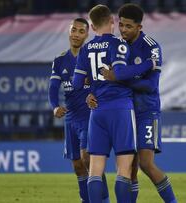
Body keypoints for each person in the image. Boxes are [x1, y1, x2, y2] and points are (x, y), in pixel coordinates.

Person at [87, 3, 177, 203]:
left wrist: (119, 77)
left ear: (139, 27)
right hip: (125, 112)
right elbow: (101, 78)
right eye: (121, 25)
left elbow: (151, 85)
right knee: (130, 168)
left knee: (146, 163)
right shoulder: (117, 45)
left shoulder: (151, 47)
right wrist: (91, 93)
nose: (124, 30)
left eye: (129, 26)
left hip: (146, 111)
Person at [72, 4, 156, 203]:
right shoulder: (119, 44)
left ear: (92, 27)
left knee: (95, 170)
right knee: (124, 170)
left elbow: (76, 84)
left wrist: (89, 89)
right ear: (112, 21)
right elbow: (118, 73)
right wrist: (148, 64)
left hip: (97, 112)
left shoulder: (85, 49)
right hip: (120, 110)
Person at [48, 17, 110, 203]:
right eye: (73, 30)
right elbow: (53, 88)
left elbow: (104, 82)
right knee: (77, 165)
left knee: (89, 160)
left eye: (81, 31)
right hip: (71, 118)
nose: (76, 34)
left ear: (86, 34)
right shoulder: (59, 60)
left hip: (90, 116)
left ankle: (103, 200)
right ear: (69, 31)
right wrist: (55, 107)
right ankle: (87, 200)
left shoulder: (91, 56)